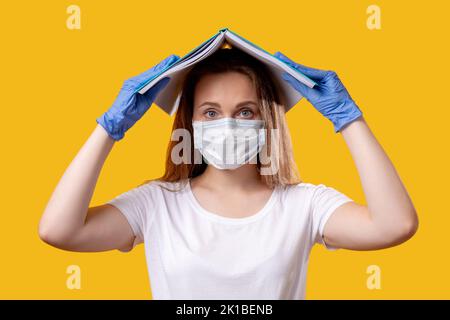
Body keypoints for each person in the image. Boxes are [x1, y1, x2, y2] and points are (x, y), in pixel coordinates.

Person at [38, 48, 418, 299]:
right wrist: (109, 128)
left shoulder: (305, 204)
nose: (229, 124)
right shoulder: (156, 204)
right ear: (190, 122)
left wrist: (348, 119)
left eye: (246, 111)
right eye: (211, 112)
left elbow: (395, 225)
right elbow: (59, 230)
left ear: (266, 120)